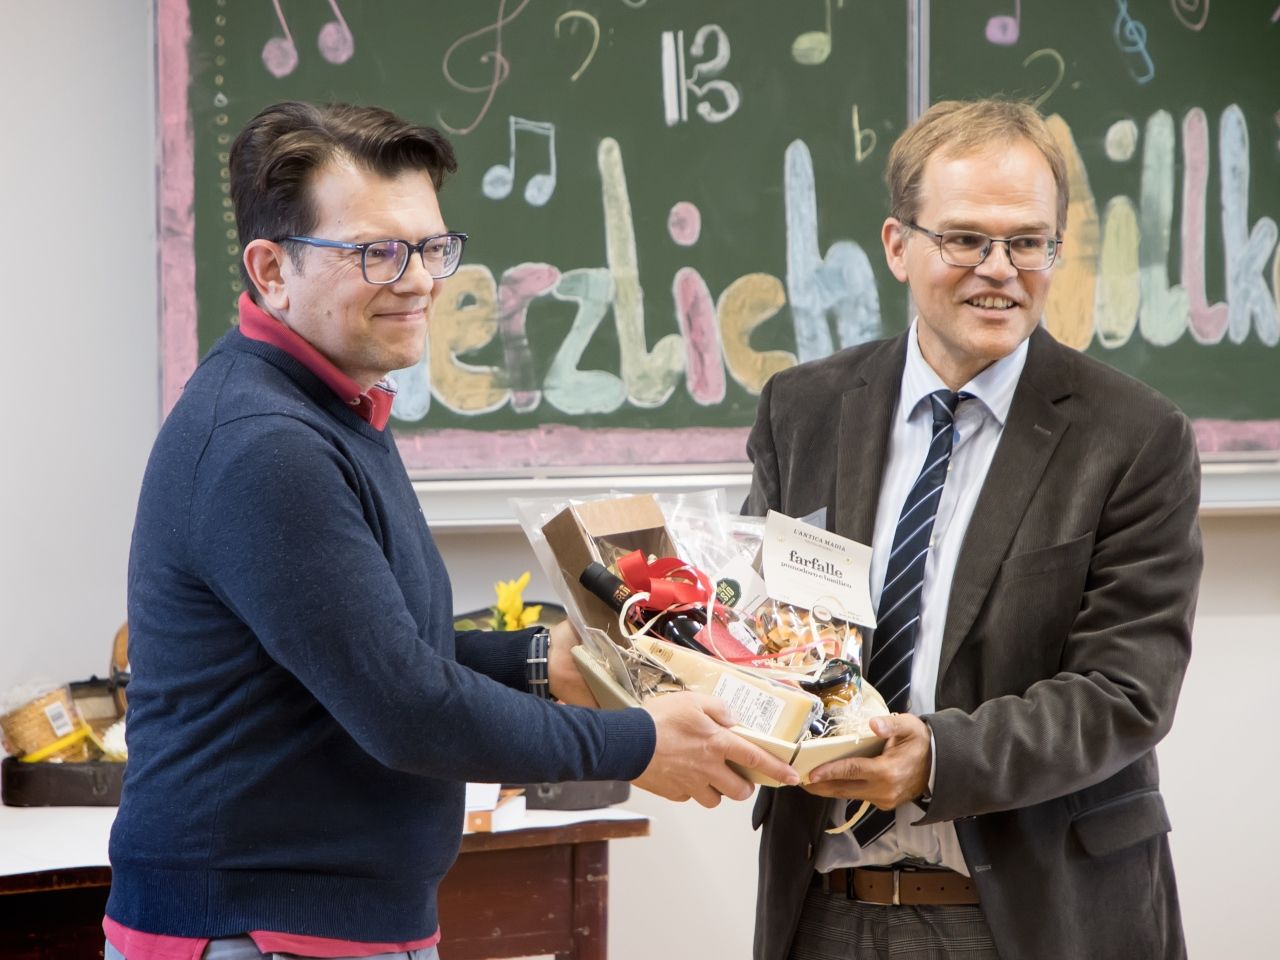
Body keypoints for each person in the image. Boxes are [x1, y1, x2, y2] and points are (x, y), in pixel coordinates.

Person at [105, 100, 798, 960]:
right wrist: (640, 743)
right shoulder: (265, 446)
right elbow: (404, 707)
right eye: (378, 253)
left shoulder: (329, 406)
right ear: (272, 269)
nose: (421, 281)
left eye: (432, 248)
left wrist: (548, 664)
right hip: (257, 934)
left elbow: (367, 652)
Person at [745, 98, 1201, 960]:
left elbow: (1125, 692)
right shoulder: (803, 410)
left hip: (1035, 917)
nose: (1000, 270)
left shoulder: (1135, 437)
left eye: (1028, 242)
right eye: (965, 239)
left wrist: (938, 758)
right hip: (824, 905)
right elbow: (760, 624)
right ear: (898, 245)